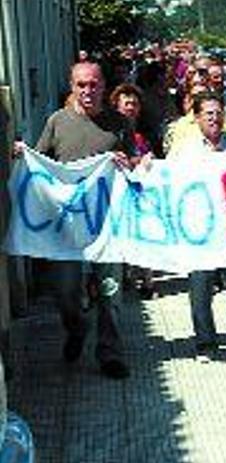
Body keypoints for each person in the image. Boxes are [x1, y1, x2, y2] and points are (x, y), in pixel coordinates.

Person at [29, 62, 137, 380]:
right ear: (72, 86)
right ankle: (76, 328)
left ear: (104, 85)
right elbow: (40, 164)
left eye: (93, 84)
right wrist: (22, 159)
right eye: (81, 85)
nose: (88, 90)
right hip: (67, 228)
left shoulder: (118, 123)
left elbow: (134, 163)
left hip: (108, 225)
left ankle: (110, 354)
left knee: (111, 291)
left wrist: (127, 162)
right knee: (65, 293)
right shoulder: (57, 122)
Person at [167, 91, 226, 371]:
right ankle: (206, 343)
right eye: (208, 113)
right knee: (200, 290)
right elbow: (167, 181)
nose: (214, 117)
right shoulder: (184, 150)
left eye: (218, 112)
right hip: (200, 233)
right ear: (196, 117)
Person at [110, 83, 157, 299]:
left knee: (144, 234)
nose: (131, 107)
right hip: (114, 192)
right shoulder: (109, 130)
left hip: (140, 191)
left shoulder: (145, 131)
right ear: (116, 106)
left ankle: (147, 280)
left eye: (134, 104)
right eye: (126, 103)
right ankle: (125, 278)